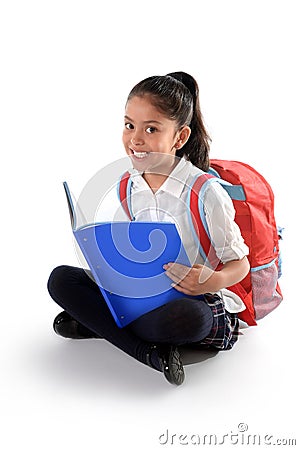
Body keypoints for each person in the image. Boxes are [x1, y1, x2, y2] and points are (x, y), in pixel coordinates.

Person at [47, 72, 250, 386]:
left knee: (187, 320)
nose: (135, 139)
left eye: (151, 129)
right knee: (60, 280)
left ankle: (101, 326)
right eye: (129, 125)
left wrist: (211, 279)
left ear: (179, 138)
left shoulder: (207, 194)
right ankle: (149, 352)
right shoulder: (129, 185)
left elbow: (241, 265)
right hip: (147, 294)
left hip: (194, 300)